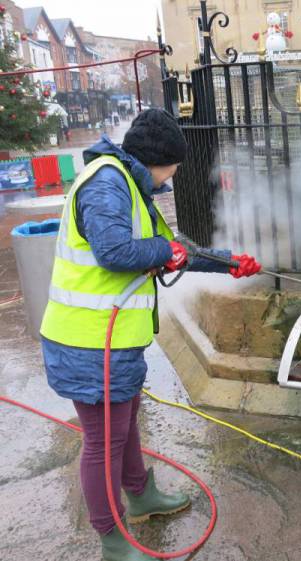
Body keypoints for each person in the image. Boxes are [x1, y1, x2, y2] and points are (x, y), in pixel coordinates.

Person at [39, 109, 261, 561]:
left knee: (123, 426)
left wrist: (226, 261)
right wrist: (168, 252)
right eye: (174, 167)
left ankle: (141, 495)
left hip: (113, 341)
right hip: (88, 344)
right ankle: (112, 538)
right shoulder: (107, 184)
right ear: (157, 159)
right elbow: (117, 251)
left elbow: (172, 251)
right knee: (103, 444)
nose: (174, 175)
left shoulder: (129, 185)